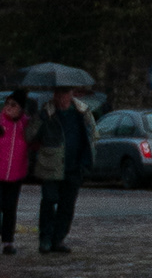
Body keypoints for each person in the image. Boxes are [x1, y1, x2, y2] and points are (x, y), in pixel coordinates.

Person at [33, 84, 95, 255]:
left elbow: (91, 134)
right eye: (58, 93)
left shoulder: (81, 112)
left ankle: (58, 238)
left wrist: (87, 160)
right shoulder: (47, 112)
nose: (60, 97)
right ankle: (45, 239)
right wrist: (40, 118)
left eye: (64, 93)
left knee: (67, 206)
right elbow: (31, 135)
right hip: (50, 165)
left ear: (71, 94)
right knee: (49, 201)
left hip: (74, 166)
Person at [0, 88, 34, 255]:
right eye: (7, 103)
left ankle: (8, 241)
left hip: (16, 173)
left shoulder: (26, 124)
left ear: (21, 108)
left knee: (10, 207)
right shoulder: (0, 121)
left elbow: (35, 142)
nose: (8, 107)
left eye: (13, 105)